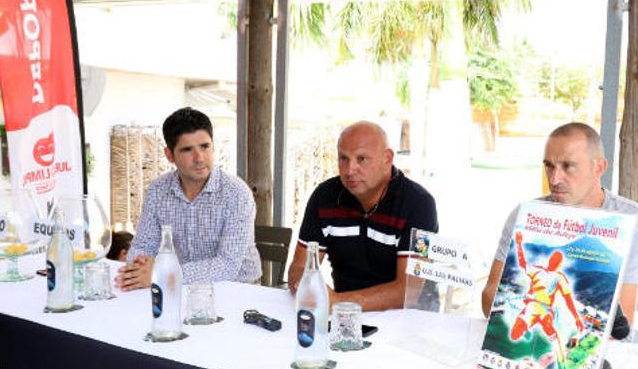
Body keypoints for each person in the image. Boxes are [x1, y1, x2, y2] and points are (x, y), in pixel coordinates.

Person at [481, 122, 638, 327]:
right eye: (549, 165)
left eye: (568, 166)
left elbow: (621, 321)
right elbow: (489, 302)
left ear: (599, 168)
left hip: (619, 356)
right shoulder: (524, 215)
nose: (555, 178)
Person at [287, 121, 438, 311]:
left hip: (409, 320)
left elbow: (409, 291)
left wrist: (338, 302)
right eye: (343, 158)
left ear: (387, 158)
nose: (350, 170)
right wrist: (309, 289)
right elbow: (299, 267)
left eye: (361, 159)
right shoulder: (324, 197)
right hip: (345, 319)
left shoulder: (419, 204)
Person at [115, 107, 261, 290]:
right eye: (187, 150)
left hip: (237, 290)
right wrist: (140, 266)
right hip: (182, 288)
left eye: (205, 146)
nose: (199, 158)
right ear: (169, 155)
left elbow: (227, 266)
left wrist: (162, 274)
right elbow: (142, 246)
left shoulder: (236, 193)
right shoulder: (158, 191)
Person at [509, 231, 585, 369]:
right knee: (514, 335)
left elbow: (568, 299)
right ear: (550, 260)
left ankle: (561, 363)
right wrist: (518, 244)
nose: (555, 262)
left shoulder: (559, 278)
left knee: (552, 334)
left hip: (545, 312)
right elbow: (523, 263)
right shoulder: (537, 270)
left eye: (558, 261)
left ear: (559, 264)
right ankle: (525, 330)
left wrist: (577, 318)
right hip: (531, 307)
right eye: (554, 259)